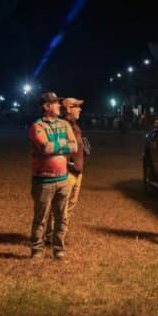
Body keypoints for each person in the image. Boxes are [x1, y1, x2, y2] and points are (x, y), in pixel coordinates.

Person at [28, 92, 77, 259]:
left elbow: (75, 147)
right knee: (41, 218)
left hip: (62, 180)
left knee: (61, 218)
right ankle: (37, 250)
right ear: (46, 106)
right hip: (43, 180)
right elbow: (45, 148)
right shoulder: (37, 126)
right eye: (56, 103)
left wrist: (55, 145)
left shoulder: (65, 124)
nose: (59, 106)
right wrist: (64, 144)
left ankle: (59, 249)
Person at [48, 97, 89, 241]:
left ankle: (61, 233)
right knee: (60, 206)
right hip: (67, 172)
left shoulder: (75, 125)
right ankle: (52, 235)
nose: (80, 109)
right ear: (69, 109)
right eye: (77, 106)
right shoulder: (62, 125)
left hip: (77, 171)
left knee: (70, 204)